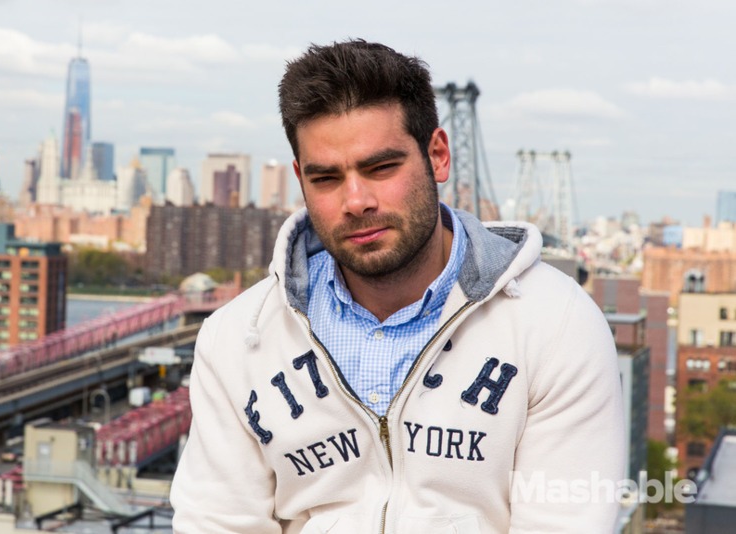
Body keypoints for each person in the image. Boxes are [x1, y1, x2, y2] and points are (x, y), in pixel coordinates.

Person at [170, 39, 625, 533]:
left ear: (438, 155)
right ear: (301, 180)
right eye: (326, 178)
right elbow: (215, 524)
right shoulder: (236, 339)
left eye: (381, 168)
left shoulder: (557, 325)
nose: (356, 200)